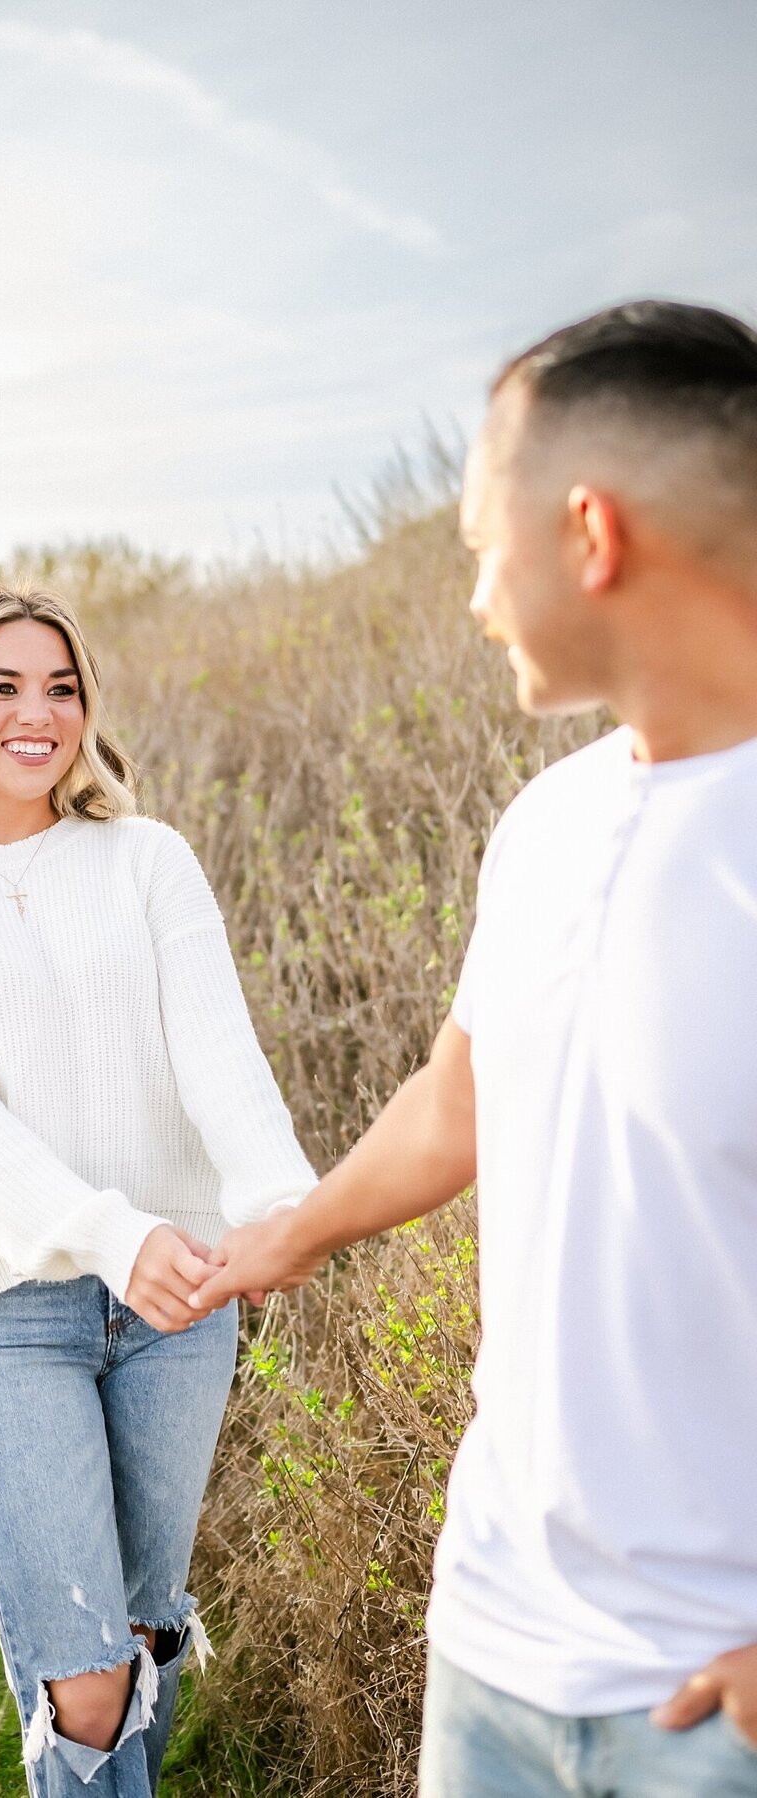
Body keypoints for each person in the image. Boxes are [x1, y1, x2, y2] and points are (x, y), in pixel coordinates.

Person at [191, 300, 757, 1795]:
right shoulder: (546, 823)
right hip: (492, 1647)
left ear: (591, 532)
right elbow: (464, 1094)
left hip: (715, 1710)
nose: (473, 594)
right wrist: (287, 1236)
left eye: (474, 544)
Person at [0, 584, 314, 1797]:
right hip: (12, 1309)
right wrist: (107, 1232)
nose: (39, 712)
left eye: (63, 686)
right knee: (84, 1674)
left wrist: (282, 1206)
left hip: (184, 1301)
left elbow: (217, 1051)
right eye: (3, 685)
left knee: (143, 1636)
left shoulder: (146, 857)